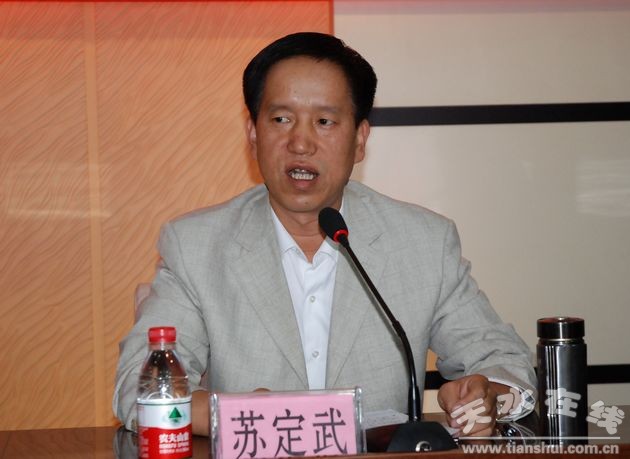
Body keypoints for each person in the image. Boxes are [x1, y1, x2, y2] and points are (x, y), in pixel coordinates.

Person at [113, 32, 536, 437]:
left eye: (324, 121)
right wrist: (240, 414)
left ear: (360, 139)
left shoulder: (422, 242)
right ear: (253, 134)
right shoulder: (196, 246)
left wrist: (486, 397)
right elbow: (139, 389)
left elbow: (505, 362)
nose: (301, 143)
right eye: (281, 119)